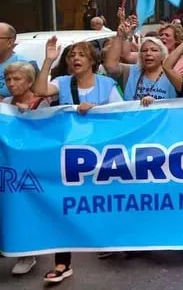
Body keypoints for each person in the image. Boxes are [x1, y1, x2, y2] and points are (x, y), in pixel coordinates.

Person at [32, 38, 123, 284]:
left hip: (102, 156)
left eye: (81, 54)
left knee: (104, 200)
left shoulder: (107, 84)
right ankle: (63, 262)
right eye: (72, 55)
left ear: (92, 60)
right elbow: (40, 91)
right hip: (69, 155)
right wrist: (49, 59)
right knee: (63, 202)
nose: (75, 58)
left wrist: (96, 110)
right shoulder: (62, 83)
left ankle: (116, 240)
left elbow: (123, 116)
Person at [2, 61, 47, 276]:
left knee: (28, 208)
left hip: (35, 169)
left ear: (30, 81)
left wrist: (27, 116)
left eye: (17, 79)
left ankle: (28, 253)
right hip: (10, 169)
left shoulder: (44, 104)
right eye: (8, 79)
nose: (11, 84)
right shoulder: (4, 105)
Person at [104, 21, 178, 102]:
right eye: (144, 50)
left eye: (154, 50)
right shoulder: (130, 72)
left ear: (163, 55)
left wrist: (156, 103)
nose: (148, 53)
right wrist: (119, 36)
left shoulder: (172, 78)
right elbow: (110, 66)